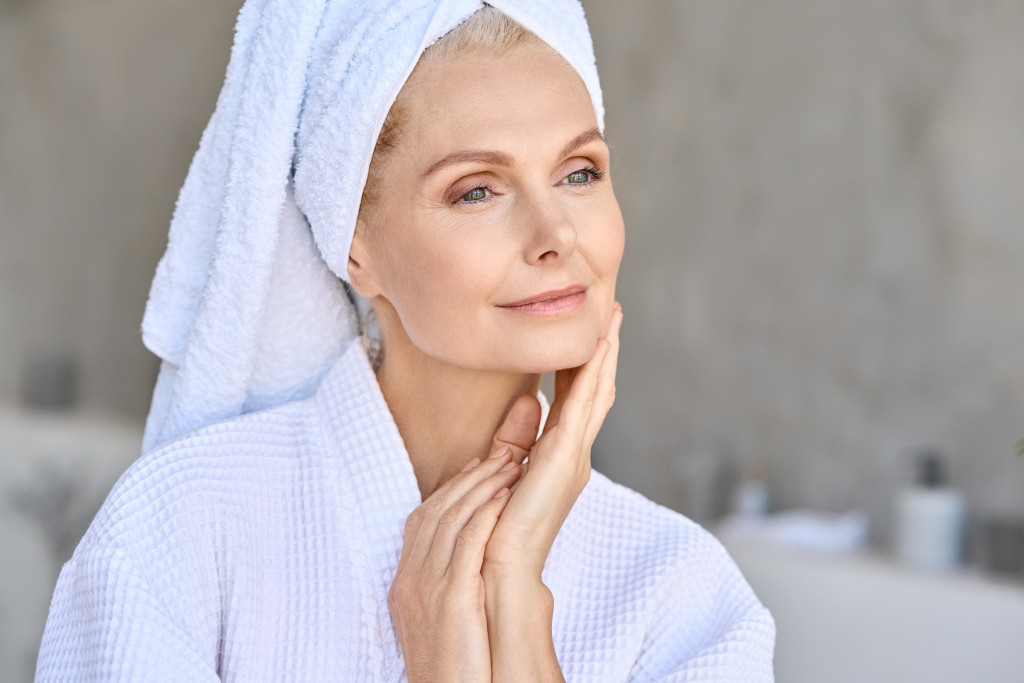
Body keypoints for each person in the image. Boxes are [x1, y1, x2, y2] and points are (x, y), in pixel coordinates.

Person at [37, 1, 775, 681]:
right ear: (354, 245)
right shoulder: (181, 529)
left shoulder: (684, 596)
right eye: (477, 189)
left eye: (579, 172)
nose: (556, 236)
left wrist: (513, 594)